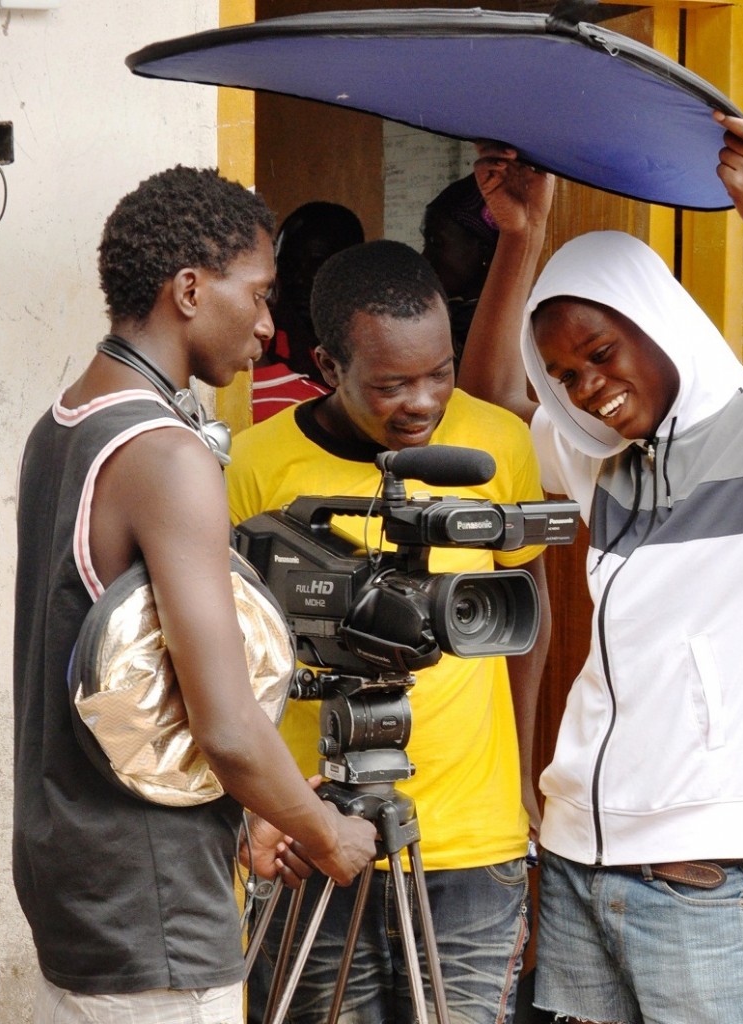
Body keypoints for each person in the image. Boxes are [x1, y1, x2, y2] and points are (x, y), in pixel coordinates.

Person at [456, 112, 743, 1024]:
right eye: (566, 375)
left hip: (693, 882)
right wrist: (520, 240)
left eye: (600, 354)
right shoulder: (601, 458)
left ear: (658, 323)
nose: (589, 388)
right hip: (578, 864)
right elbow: (485, 409)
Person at [12, 165, 377, 1024]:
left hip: (77, 870)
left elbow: (119, 666)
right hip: (155, 903)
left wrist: (250, 823)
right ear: (187, 289)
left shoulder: (63, 423)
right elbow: (225, 723)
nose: (265, 323)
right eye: (256, 294)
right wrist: (327, 837)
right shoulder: (166, 455)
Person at [225, 238, 551, 1024]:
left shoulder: (495, 442)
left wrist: (528, 772)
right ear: (329, 366)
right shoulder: (254, 465)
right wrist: (251, 806)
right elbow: (226, 657)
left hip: (471, 840)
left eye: (439, 371)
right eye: (393, 383)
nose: (425, 401)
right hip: (311, 835)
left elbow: (520, 614)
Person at [252, 201, 364, 422]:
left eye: (315, 264)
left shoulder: (371, 343)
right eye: (286, 263)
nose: (298, 278)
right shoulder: (261, 340)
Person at [421, 172, 500, 366]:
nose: (425, 257)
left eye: (435, 243)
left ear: (484, 251)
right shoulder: (446, 322)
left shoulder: (513, 334)